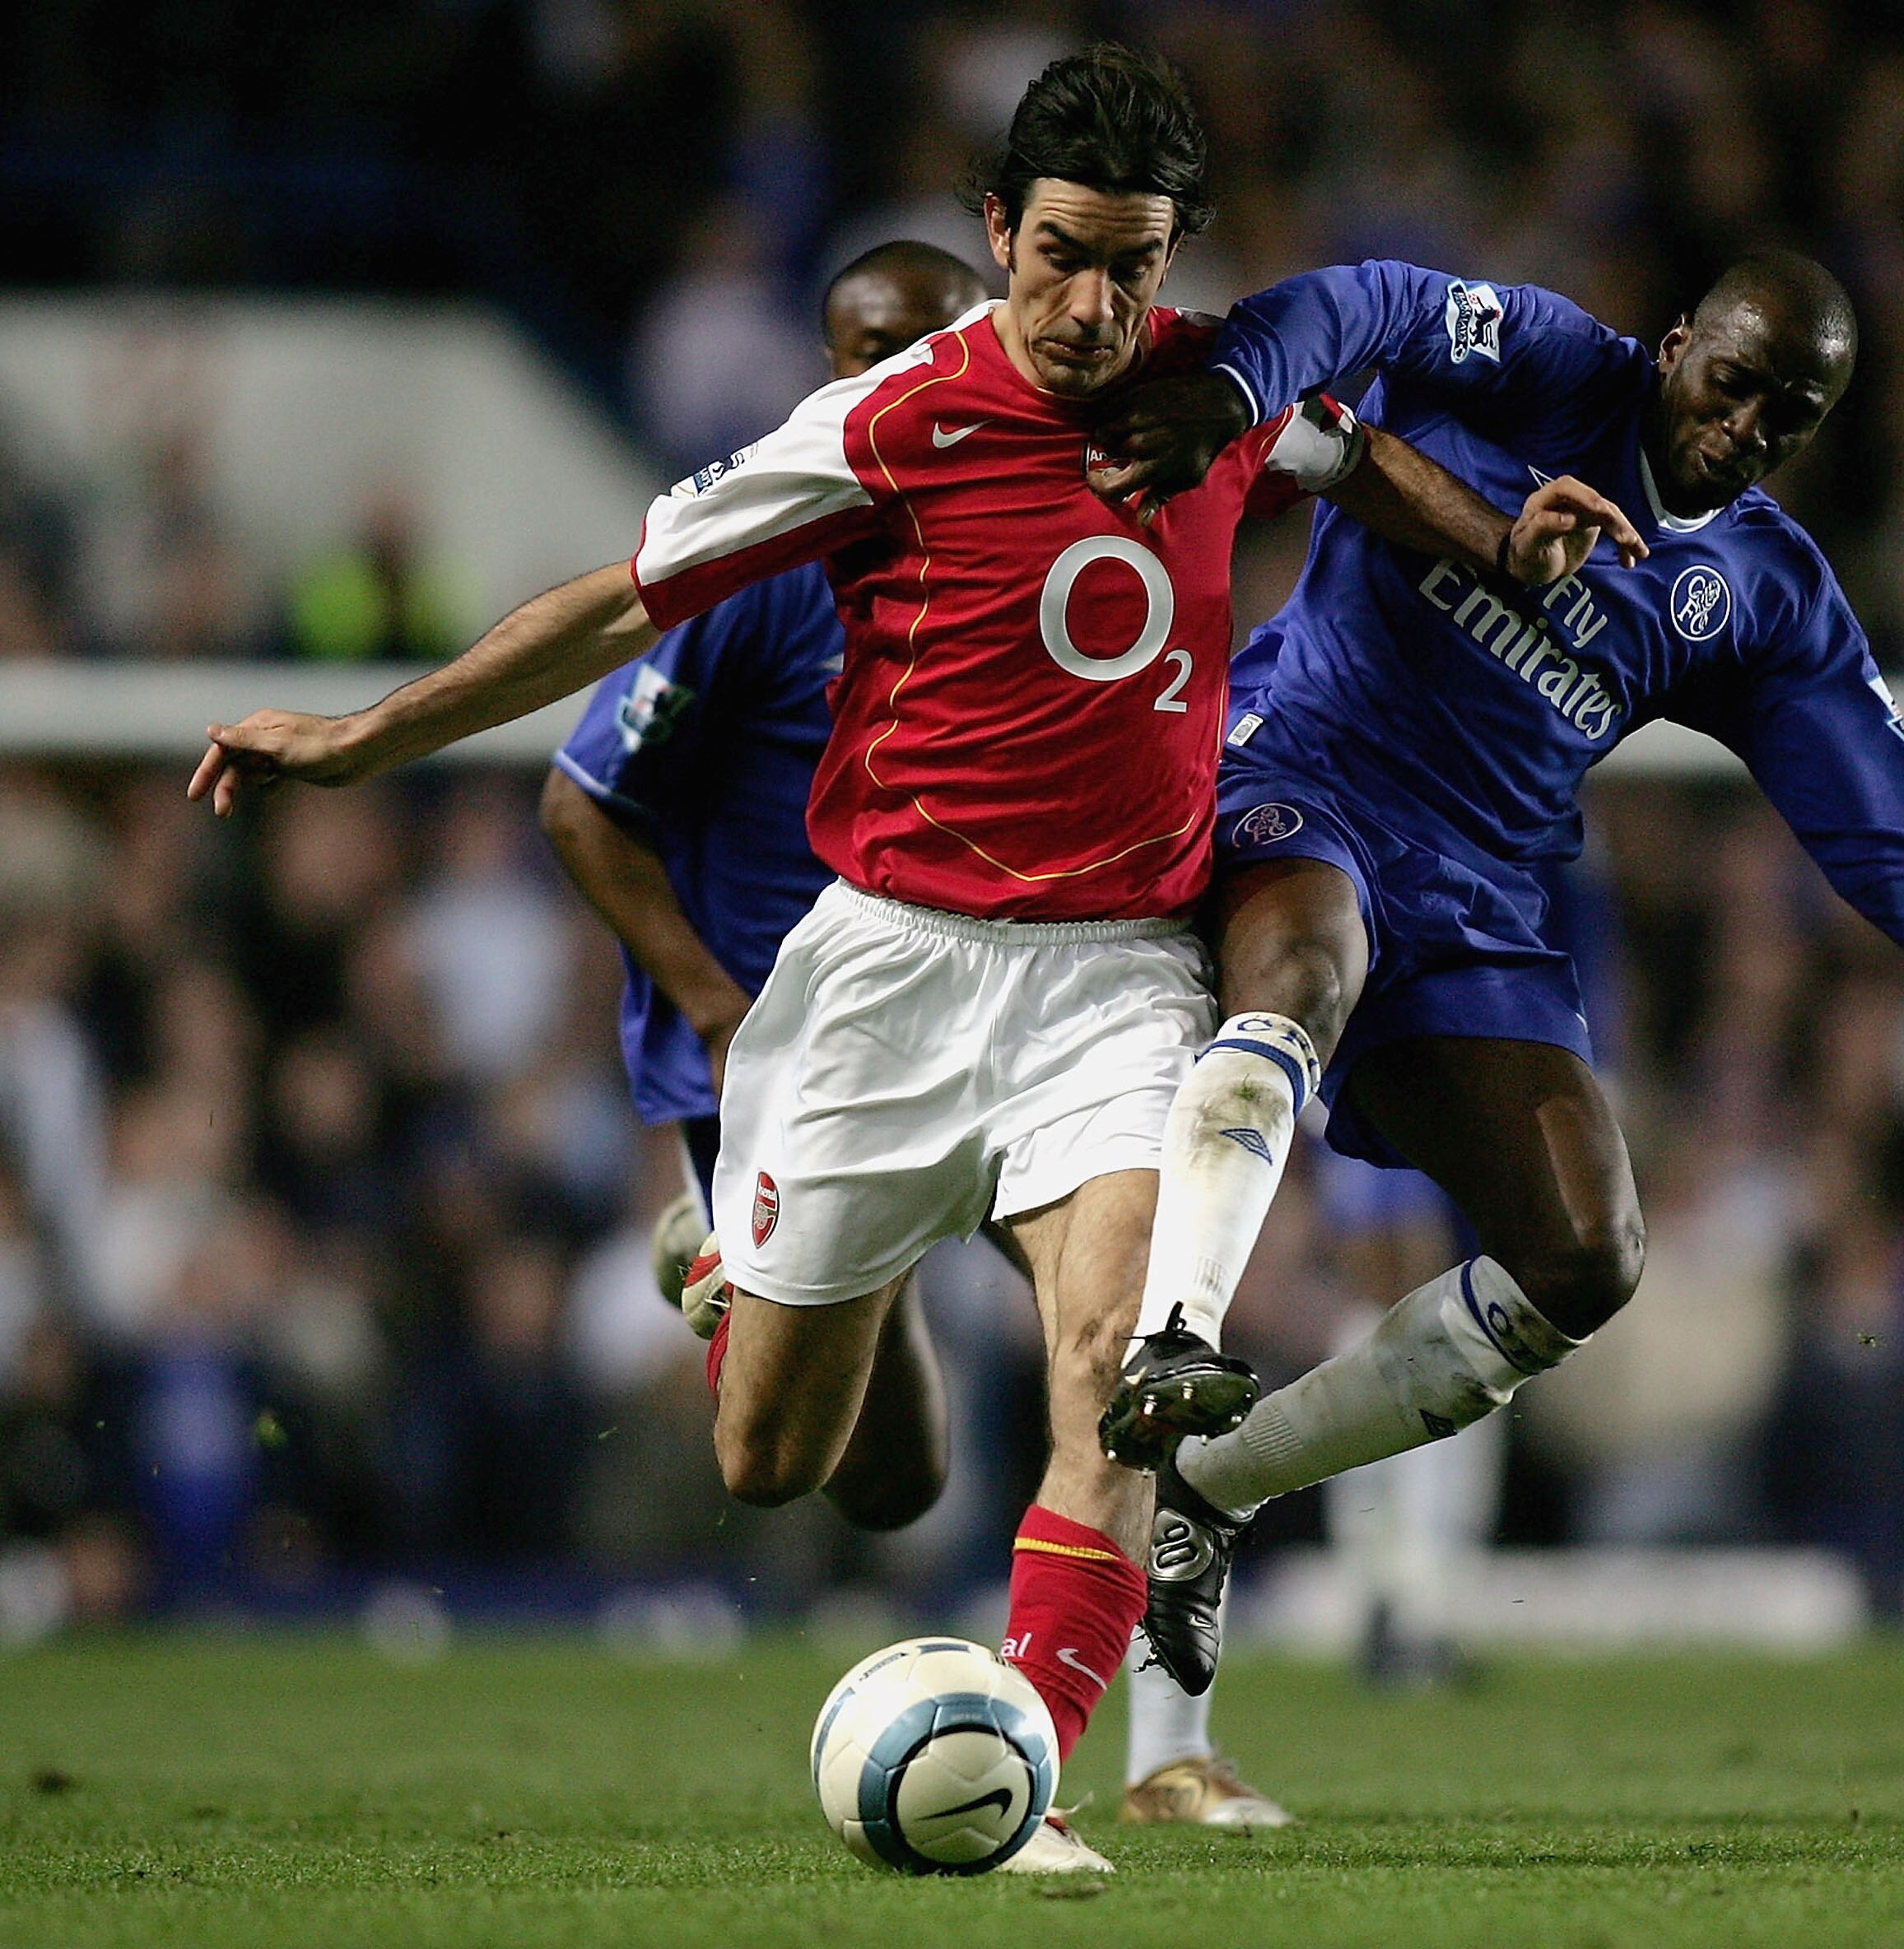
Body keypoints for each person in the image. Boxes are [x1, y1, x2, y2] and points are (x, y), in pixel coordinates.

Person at [187, 46, 1636, 1871]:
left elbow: (1355, 458)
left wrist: (1500, 532)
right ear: (993, 230)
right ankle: (737, 1265)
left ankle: (1017, 1755)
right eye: (1057, 256)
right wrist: (360, 735)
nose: (1093, 306)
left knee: (1123, 1365)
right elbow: (613, 602)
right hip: (881, 975)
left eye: (1133, 264)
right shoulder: (891, 420)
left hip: (1118, 972)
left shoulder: (1216, 385)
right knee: (772, 1462)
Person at [1080, 249, 1904, 1692]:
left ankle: (1217, 1486)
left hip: (1480, 894)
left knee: (1585, 1257)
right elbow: (1367, 298)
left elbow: (1884, 825)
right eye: (1735, 380)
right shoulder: (1551, 367)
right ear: (1680, 343)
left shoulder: (1760, 593)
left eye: (1788, 416)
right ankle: (1173, 1343)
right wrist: (1245, 384)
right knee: (1306, 961)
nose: (1746, 424)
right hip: (1305, 765)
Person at [540, 236, 1291, 1829]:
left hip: (1086, 988)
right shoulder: (771, 574)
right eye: (853, 352)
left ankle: (1054, 1770)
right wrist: (705, 999)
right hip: (829, 1032)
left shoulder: (1061, 480)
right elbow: (584, 796)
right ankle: (736, 1249)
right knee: (848, 1473)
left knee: (1124, 1358)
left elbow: (1322, 449)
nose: (881, 373)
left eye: (908, 342)